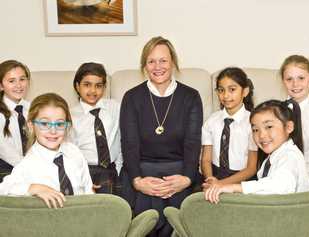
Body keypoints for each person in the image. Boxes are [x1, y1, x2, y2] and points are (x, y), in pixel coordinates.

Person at [120, 36, 203, 237]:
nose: (158, 66)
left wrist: (186, 178)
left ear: (173, 62)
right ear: (144, 66)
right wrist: (138, 181)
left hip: (179, 172)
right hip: (142, 172)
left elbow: (193, 143)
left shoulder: (191, 97)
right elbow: (129, 144)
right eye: (151, 61)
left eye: (163, 60)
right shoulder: (131, 97)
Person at [205, 99, 309, 204]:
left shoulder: (290, 156)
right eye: (255, 130)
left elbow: (280, 186)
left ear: (289, 127)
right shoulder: (273, 157)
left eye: (269, 126)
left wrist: (234, 187)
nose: (261, 135)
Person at [0, 93, 93, 208]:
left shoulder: (74, 152)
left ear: (67, 126)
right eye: (44, 123)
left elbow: (89, 191)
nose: (53, 130)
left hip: (82, 219)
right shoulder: (28, 164)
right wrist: (33, 188)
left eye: (59, 124)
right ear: (31, 126)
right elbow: (3, 190)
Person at [201, 67, 258, 191]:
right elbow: (206, 159)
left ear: (245, 91)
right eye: (221, 90)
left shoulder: (253, 123)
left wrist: (221, 184)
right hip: (214, 176)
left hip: (242, 179)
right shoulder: (211, 121)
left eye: (232, 89)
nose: (226, 95)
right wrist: (210, 179)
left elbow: (251, 168)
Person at [70, 62, 122, 195]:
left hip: (110, 168)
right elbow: (70, 151)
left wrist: (120, 168)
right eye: (87, 85)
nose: (93, 91)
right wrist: (80, 177)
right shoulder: (70, 115)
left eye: (98, 86)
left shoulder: (115, 108)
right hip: (84, 168)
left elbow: (123, 138)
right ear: (77, 86)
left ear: (104, 88)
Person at [280, 55, 309, 188]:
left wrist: (297, 178)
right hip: (281, 175)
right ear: (283, 81)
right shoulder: (276, 111)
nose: (295, 84)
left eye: (301, 78)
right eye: (289, 79)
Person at [0, 60, 30, 181]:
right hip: (5, 172)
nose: (18, 85)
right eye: (12, 81)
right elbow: (4, 150)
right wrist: (30, 168)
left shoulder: (33, 108)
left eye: (22, 79)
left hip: (32, 169)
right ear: (1, 85)